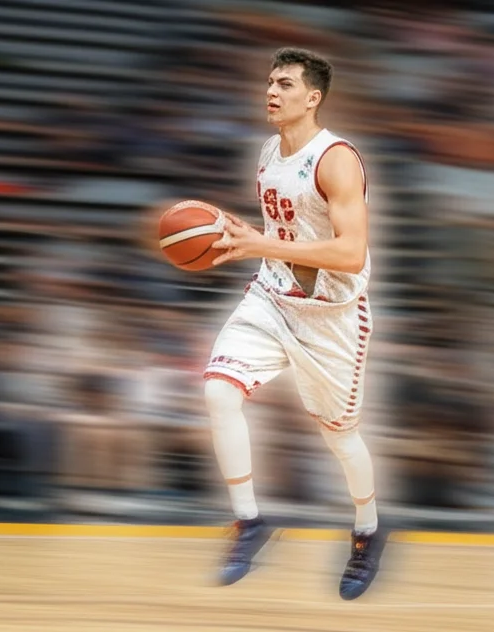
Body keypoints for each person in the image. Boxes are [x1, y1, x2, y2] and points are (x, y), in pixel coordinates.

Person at [204, 47, 385, 600]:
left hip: (332, 315)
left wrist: (261, 242)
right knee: (218, 391)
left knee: (339, 437)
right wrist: (249, 236)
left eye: (284, 83)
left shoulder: (336, 160)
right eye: (269, 82)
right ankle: (249, 521)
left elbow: (351, 253)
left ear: (314, 97)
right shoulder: (267, 150)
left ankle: (369, 530)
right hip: (272, 295)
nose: (272, 91)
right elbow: (281, 231)